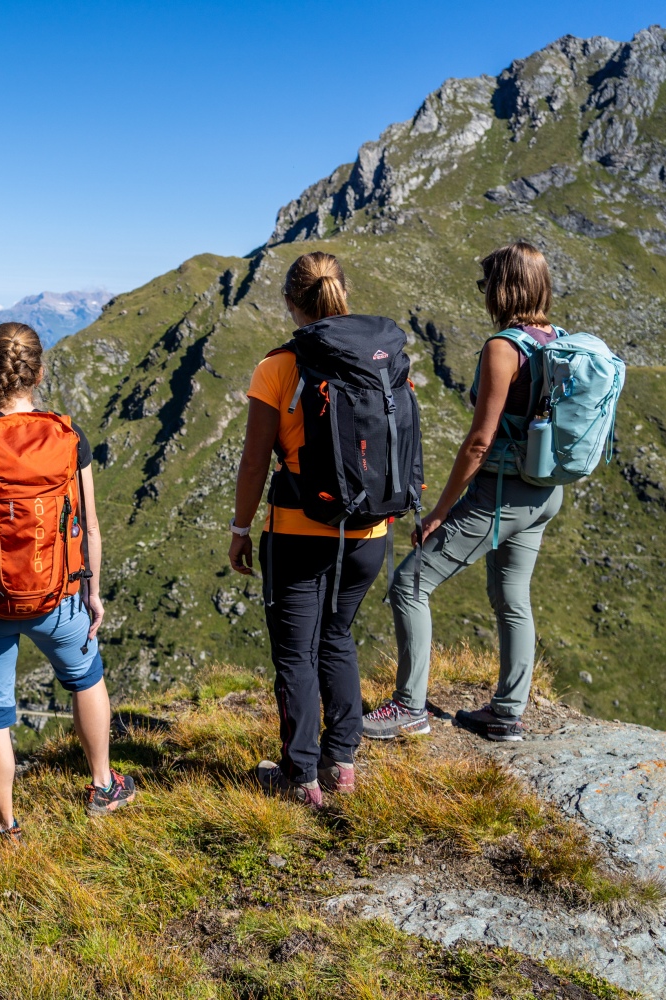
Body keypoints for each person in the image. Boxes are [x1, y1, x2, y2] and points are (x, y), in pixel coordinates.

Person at [0, 322, 136, 841]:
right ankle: (102, 786)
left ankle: (6, 824)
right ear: (39, 372)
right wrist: (91, 593)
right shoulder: (68, 436)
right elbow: (89, 524)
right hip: (61, 596)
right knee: (86, 678)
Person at [364, 241, 565, 743]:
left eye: (485, 284)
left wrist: (439, 511)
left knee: (409, 584)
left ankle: (409, 707)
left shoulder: (505, 347)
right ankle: (506, 713)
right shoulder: (558, 340)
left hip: (498, 495)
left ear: (503, 287)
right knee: (512, 596)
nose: (482, 294)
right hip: (544, 493)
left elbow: (479, 442)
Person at [229, 252, 407, 808]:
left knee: (295, 654)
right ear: (342, 294)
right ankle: (342, 762)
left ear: (289, 301)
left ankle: (300, 776)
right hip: (370, 531)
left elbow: (256, 462)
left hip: (299, 530)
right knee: (337, 637)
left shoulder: (278, 367)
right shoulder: (382, 356)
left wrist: (239, 528)